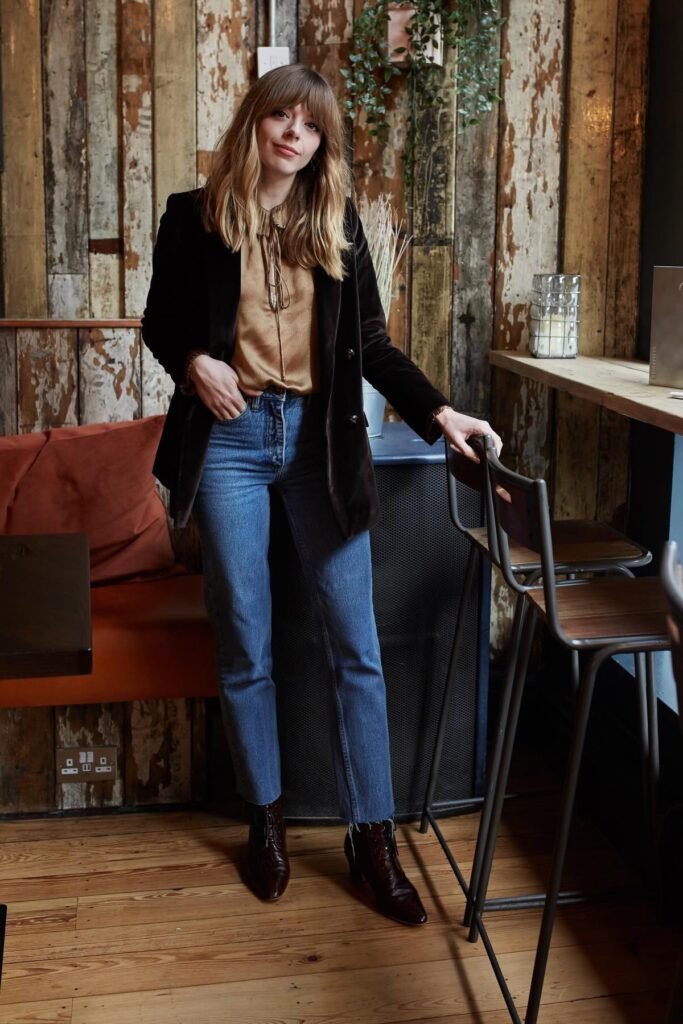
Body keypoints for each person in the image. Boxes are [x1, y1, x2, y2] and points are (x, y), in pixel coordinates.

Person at [142, 63, 501, 927]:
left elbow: (370, 341)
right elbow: (160, 322)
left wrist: (439, 412)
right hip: (229, 444)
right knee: (245, 639)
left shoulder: (336, 221)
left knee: (355, 646)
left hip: (319, 449)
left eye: (309, 126)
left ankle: (370, 836)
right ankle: (265, 819)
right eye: (281, 117)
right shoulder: (193, 216)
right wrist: (193, 362)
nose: (293, 135)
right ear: (255, 123)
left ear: (320, 142)